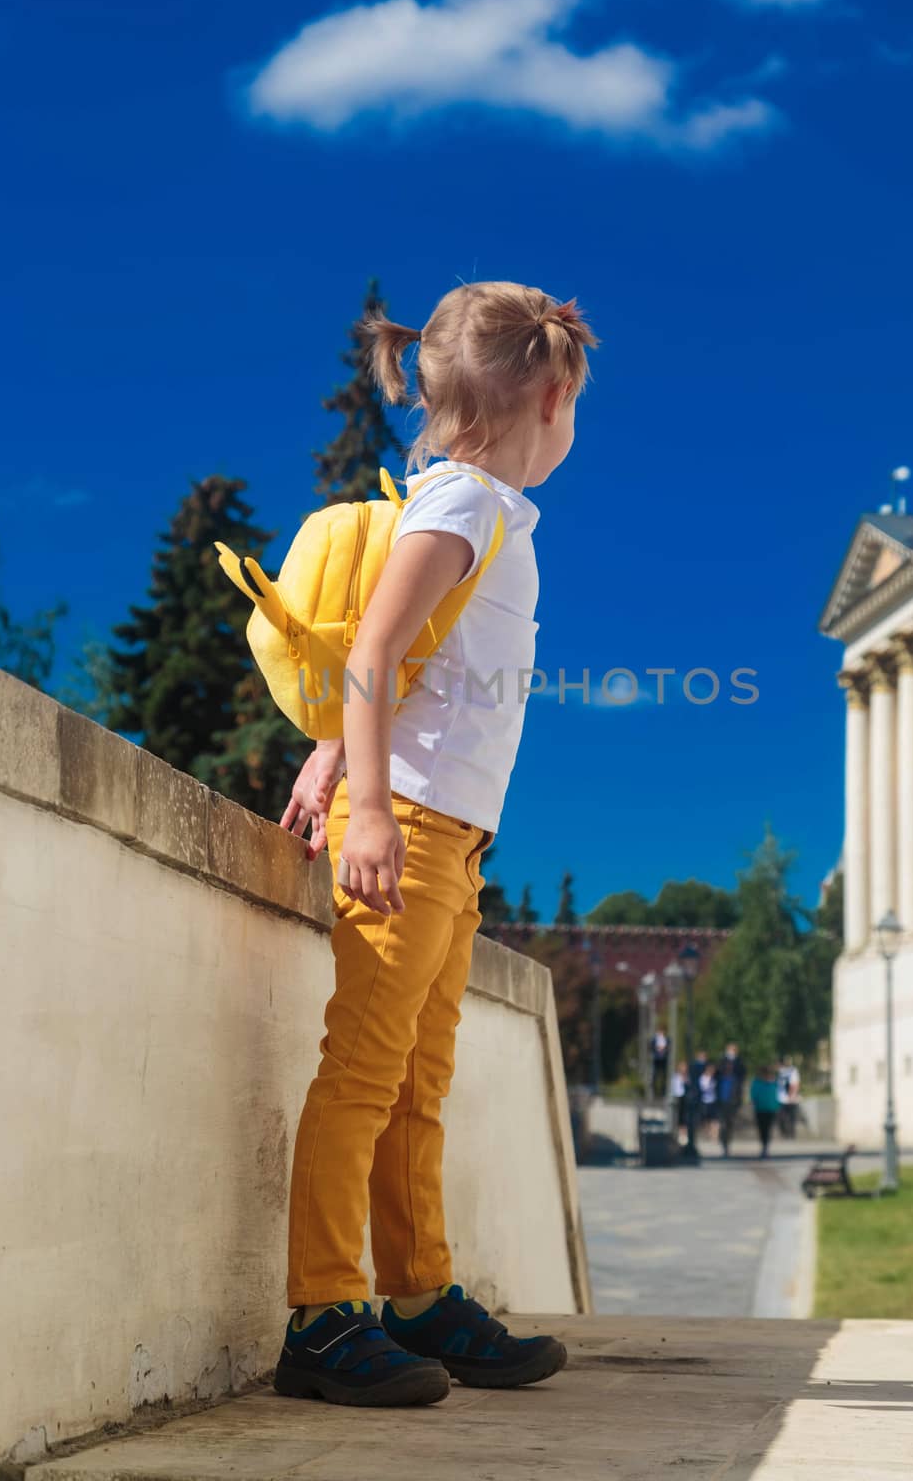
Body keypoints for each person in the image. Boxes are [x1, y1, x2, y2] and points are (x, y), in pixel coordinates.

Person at [273, 281, 597, 1408]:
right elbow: (372, 652)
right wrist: (365, 804)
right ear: (548, 395)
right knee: (363, 1075)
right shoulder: (459, 507)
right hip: (405, 826)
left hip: (452, 840)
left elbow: (409, 670)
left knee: (419, 1083)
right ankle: (320, 1316)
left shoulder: (485, 511)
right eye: (571, 412)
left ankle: (419, 1296)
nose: (570, 434)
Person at [715, 1042, 746, 1157]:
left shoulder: (737, 1071)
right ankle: (724, 1143)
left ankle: (727, 1143)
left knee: (729, 1124)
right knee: (723, 1123)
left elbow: (742, 1078)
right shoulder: (720, 1073)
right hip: (722, 1100)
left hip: (732, 1101)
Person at [751, 1065, 781, 1158]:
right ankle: (764, 1147)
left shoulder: (775, 1083)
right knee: (762, 1129)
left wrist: (779, 1106)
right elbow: (753, 1095)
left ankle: (765, 1147)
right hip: (760, 1109)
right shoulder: (757, 1082)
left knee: (767, 1129)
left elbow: (779, 1095)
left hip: (771, 1109)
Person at [777, 1056, 801, 1139]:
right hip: (780, 1098)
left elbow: (795, 1084)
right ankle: (785, 1133)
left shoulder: (792, 1070)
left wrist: (792, 1095)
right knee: (781, 1117)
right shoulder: (778, 1071)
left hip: (791, 1098)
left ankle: (791, 1134)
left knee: (791, 1117)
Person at [670, 1059, 690, 1144]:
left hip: (685, 1098)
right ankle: (677, 1134)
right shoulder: (675, 1076)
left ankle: (684, 1135)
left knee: (684, 1117)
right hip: (677, 1097)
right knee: (677, 1117)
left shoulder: (688, 1077)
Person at [699, 1061, 719, 1141]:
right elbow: (702, 1088)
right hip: (704, 1101)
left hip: (713, 1101)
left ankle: (714, 1136)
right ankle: (708, 1133)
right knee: (705, 1119)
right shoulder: (702, 1078)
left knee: (715, 1119)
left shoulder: (716, 1078)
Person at [650, 1026, 670, 1097]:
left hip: (664, 1060)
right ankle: (654, 1092)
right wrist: (657, 1049)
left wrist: (664, 1050)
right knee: (654, 1076)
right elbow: (651, 1047)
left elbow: (669, 1048)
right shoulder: (654, 1039)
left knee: (663, 1076)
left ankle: (662, 1091)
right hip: (656, 1060)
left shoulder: (667, 1039)